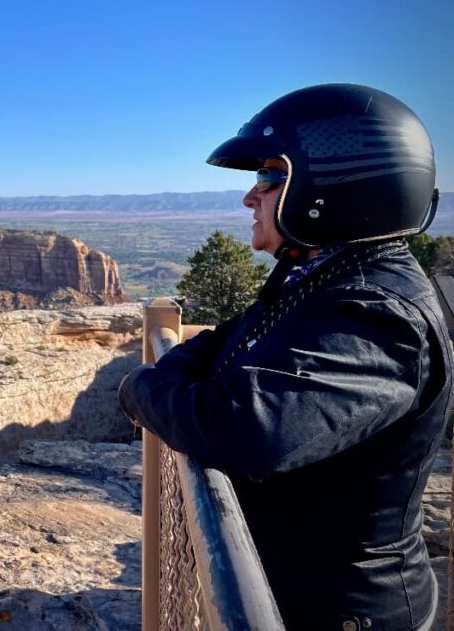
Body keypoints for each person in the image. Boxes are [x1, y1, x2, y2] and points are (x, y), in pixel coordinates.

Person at [119, 83, 453, 631]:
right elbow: (225, 340)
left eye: (271, 176)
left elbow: (246, 431)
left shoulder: (376, 311)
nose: (251, 197)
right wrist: (171, 372)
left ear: (333, 188)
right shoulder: (324, 276)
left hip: (339, 612)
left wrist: (141, 389)